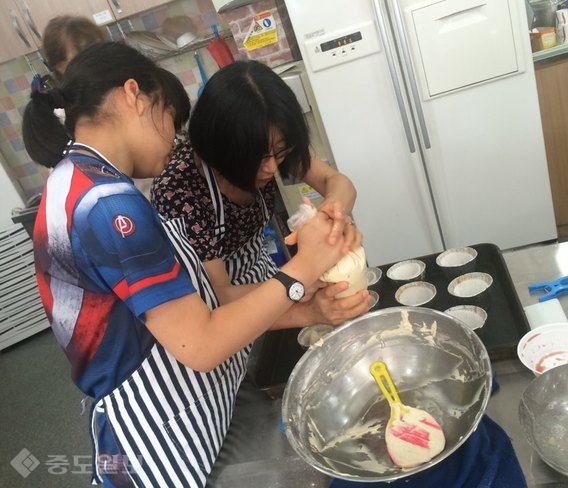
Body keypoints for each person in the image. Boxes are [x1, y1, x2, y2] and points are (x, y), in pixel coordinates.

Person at [22, 41, 359, 487]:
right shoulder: (106, 206)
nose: (174, 140)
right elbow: (200, 344)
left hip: (190, 412)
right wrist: (303, 271)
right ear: (133, 95)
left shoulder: (78, 184)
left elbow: (181, 317)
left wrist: (307, 308)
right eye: (170, 118)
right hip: (155, 439)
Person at [150, 60, 368, 327]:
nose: (272, 167)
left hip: (270, 278)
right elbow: (220, 295)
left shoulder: (269, 142)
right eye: (257, 157)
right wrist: (298, 283)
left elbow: (336, 181)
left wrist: (333, 209)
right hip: (226, 314)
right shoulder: (180, 191)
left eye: (280, 151)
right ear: (223, 147)